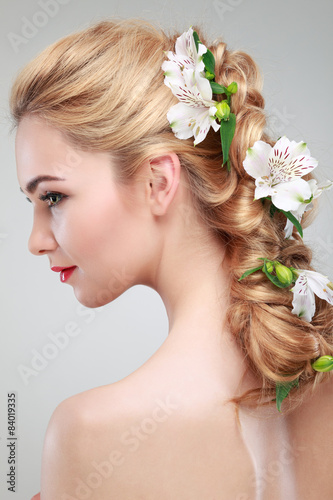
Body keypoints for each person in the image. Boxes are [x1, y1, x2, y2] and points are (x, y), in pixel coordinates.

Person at [10, 19, 333, 500]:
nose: (35, 241)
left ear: (157, 182)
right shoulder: (320, 364)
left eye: (53, 197)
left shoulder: (87, 434)